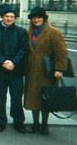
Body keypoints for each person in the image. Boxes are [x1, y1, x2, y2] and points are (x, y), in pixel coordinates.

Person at [24, 7, 68, 136]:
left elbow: (61, 51)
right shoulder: (29, 32)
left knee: (46, 98)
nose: (36, 20)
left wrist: (59, 69)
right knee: (33, 98)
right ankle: (35, 123)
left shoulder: (53, 32)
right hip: (32, 71)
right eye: (34, 17)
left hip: (47, 72)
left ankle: (45, 124)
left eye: (39, 17)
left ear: (44, 19)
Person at [0, 5, 28, 133]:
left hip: (16, 71)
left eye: (12, 17)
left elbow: (24, 49)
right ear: (2, 17)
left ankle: (18, 122)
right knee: (0, 98)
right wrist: (3, 61)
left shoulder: (21, 32)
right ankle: (1, 122)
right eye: (7, 16)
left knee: (17, 98)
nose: (9, 19)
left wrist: (14, 62)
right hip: (0, 71)